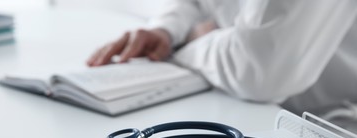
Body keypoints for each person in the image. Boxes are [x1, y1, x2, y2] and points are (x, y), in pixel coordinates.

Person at [87, 0, 357, 118]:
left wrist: (184, 45)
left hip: (336, 130)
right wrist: (167, 29)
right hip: (247, 107)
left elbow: (259, 71)